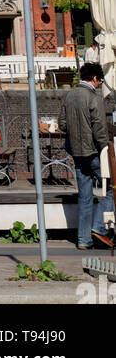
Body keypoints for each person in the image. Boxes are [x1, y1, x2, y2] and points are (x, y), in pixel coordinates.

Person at [58, 62, 115, 250]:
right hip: (94, 152)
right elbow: (99, 128)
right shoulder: (93, 98)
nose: (99, 84)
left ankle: (83, 240)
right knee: (113, 187)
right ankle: (99, 228)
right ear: (95, 78)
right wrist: (106, 150)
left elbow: (62, 124)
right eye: (100, 81)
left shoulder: (69, 96)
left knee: (85, 195)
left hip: (76, 152)